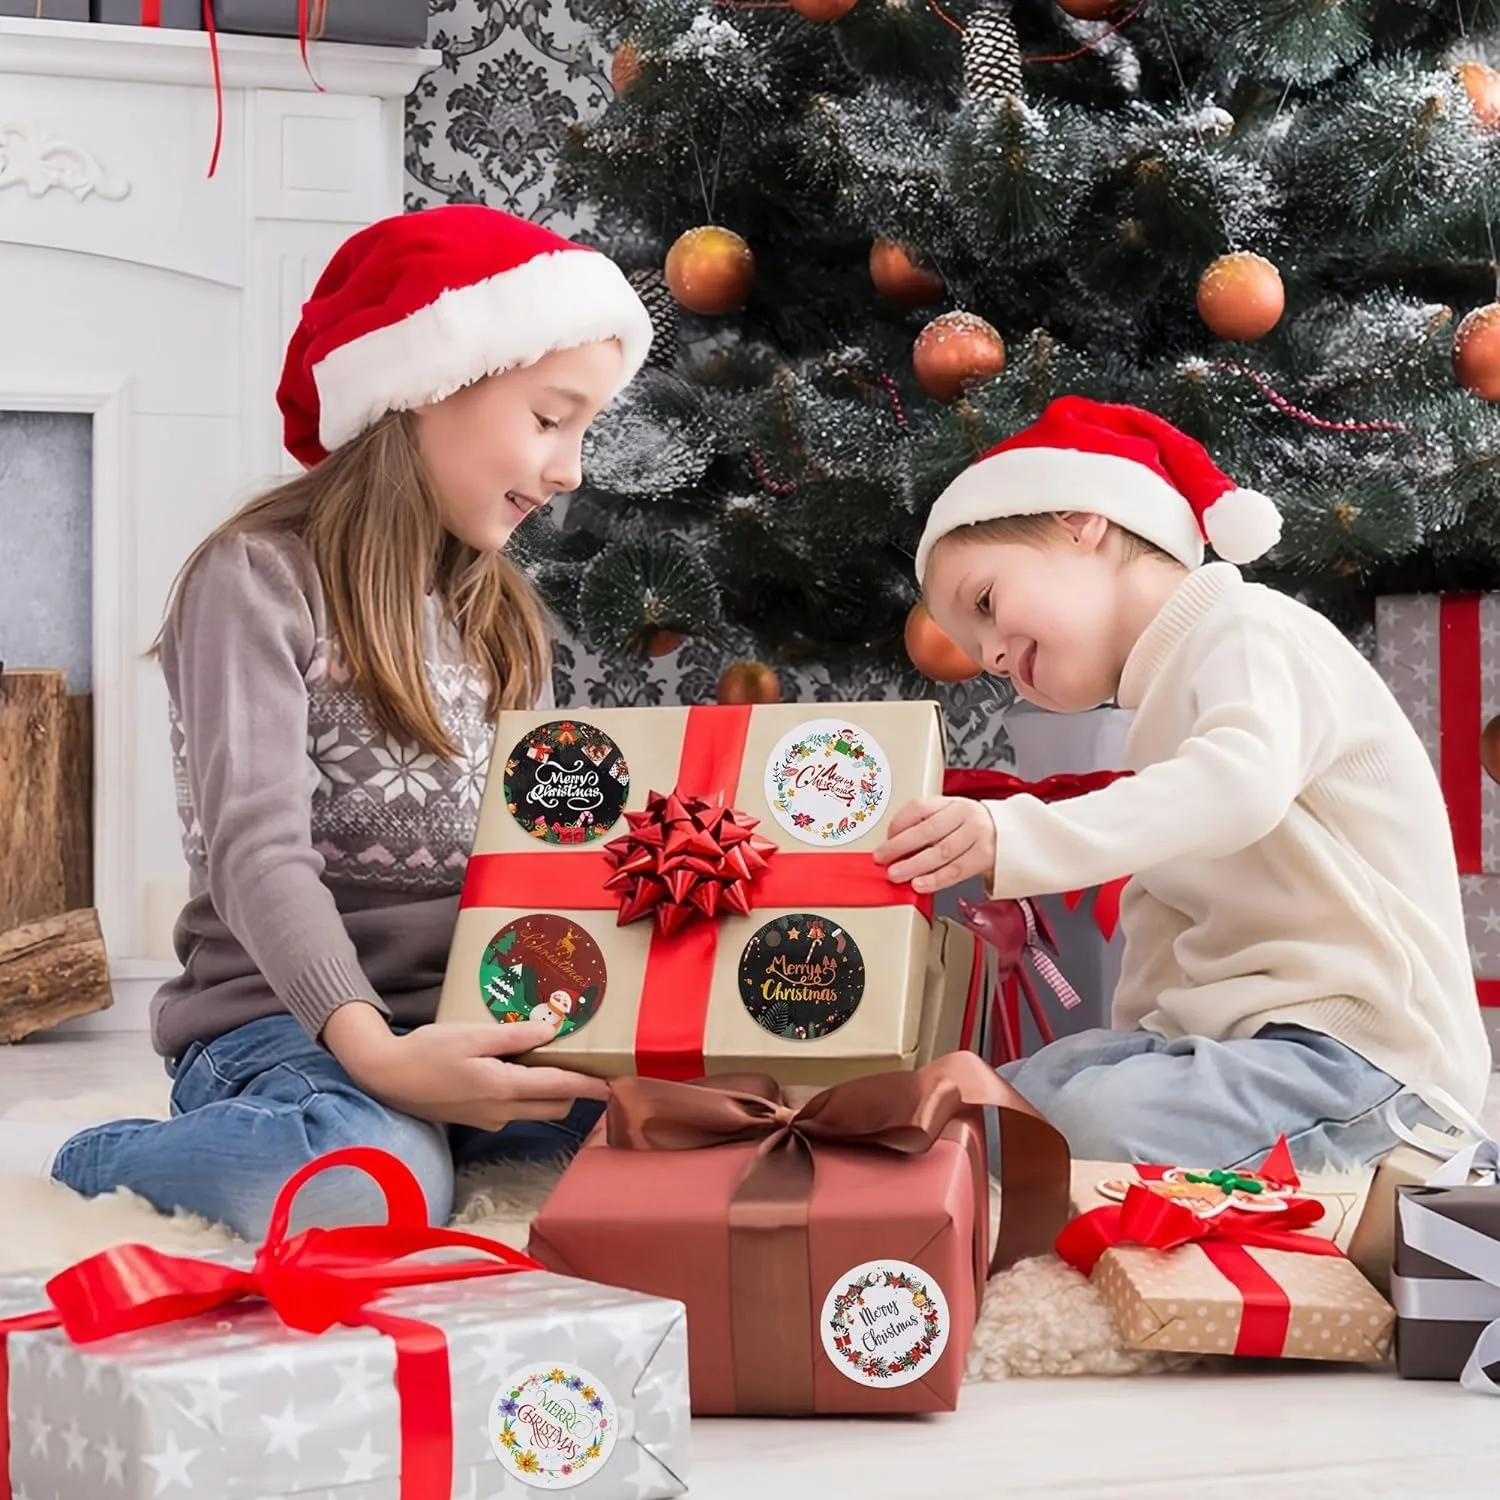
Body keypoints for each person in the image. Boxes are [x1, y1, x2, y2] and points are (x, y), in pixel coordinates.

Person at [0, 206, 654, 1237]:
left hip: (457, 1023)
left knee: (676, 1142)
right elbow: (257, 851)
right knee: (364, 1186)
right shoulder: (253, 579)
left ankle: (423, 1130)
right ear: (426, 388)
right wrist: (381, 1057)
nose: (571, 469)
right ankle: (103, 1155)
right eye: (549, 418)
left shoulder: (500, 617)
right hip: (280, 1028)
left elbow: (527, 859)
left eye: (584, 431)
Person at [875, 395, 1491, 1170]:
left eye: (987, 604)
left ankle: (1448, 1162)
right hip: (1244, 1047)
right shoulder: (1160, 718)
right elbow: (1164, 922)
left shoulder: (1254, 629)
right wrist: (1135, 1048)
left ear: (1079, 520)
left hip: (1367, 1057)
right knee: (1000, 1100)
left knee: (1088, 1124)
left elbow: (1237, 786)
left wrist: (1017, 832)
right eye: (979, 649)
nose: (994, 655)